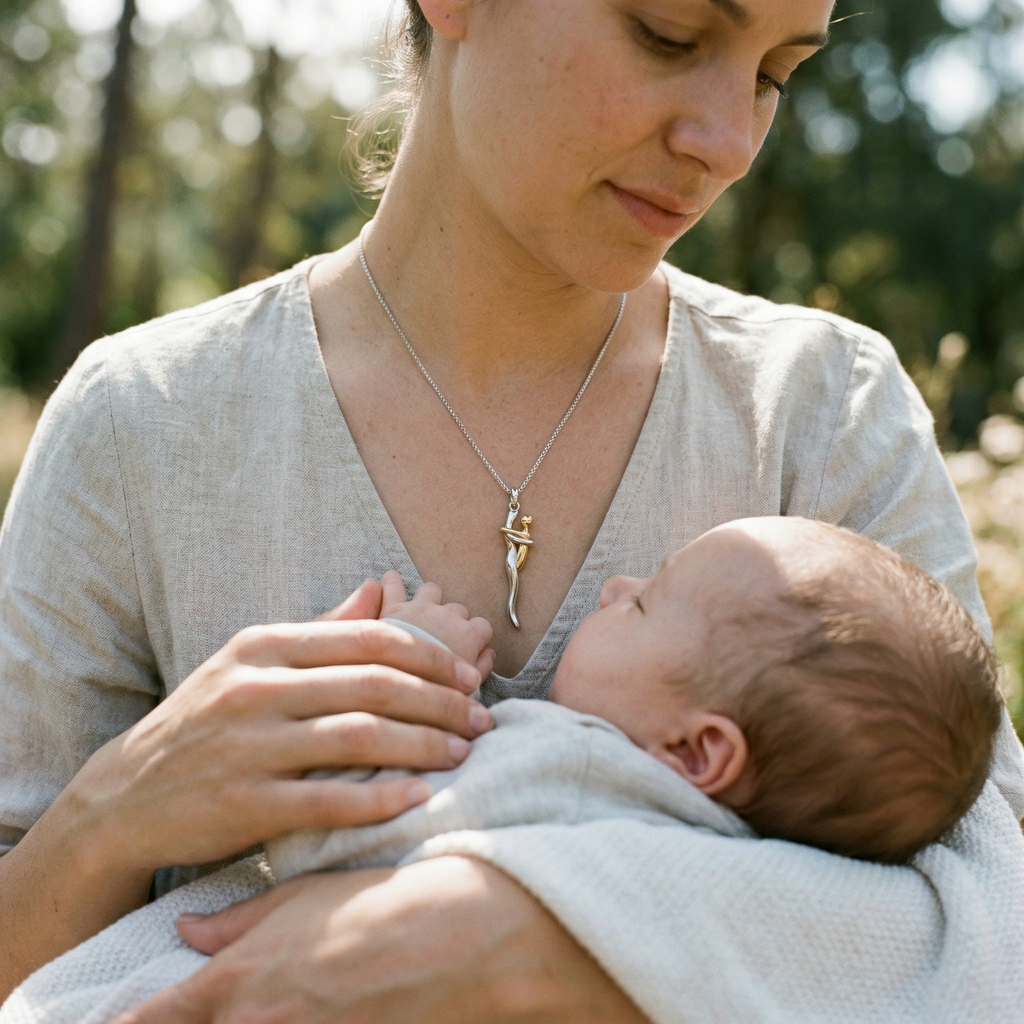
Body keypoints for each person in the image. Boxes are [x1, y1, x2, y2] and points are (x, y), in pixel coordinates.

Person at [2, 0, 1024, 1020]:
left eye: (772, 75)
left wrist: (529, 934)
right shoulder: (145, 422)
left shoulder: (821, 411)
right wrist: (113, 811)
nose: (727, 145)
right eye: (667, 34)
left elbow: (996, 922)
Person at [3, 516, 1003, 1024]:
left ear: (700, 751)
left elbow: (338, 840)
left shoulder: (567, 769)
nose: (617, 581)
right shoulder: (713, 828)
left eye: (645, 602)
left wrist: (403, 661)